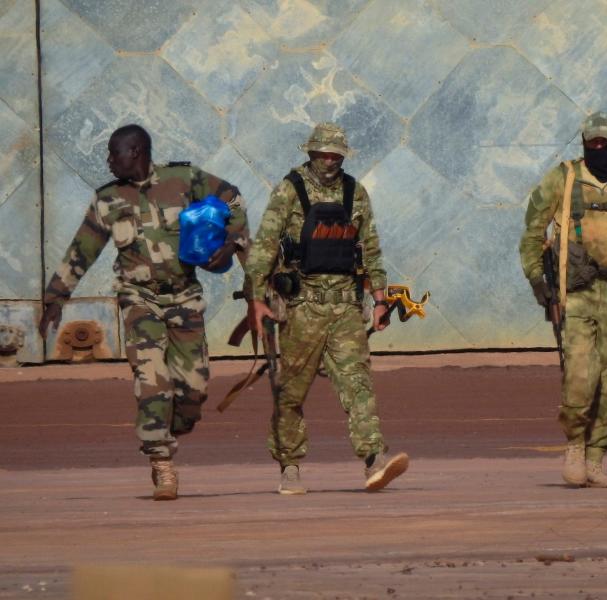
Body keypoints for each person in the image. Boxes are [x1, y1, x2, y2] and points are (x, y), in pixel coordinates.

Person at [39, 124, 249, 500]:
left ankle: (170, 429)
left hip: (184, 297)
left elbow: (233, 199)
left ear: (134, 151)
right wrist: (55, 296)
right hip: (139, 299)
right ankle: (161, 463)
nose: (108, 161)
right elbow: (81, 250)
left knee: (193, 391)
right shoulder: (107, 199)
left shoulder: (183, 179)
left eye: (113, 153)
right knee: (152, 378)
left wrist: (233, 241)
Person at [244, 122, 408, 495]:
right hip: (303, 307)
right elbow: (265, 246)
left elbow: (371, 248)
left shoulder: (355, 193)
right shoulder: (290, 190)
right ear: (311, 152)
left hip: (346, 307)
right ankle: (289, 467)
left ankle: (374, 459)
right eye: (322, 154)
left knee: (358, 383)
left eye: (335, 155)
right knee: (290, 391)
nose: (329, 161)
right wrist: (256, 299)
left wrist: (381, 300)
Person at [519, 112, 607, 487]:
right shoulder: (562, 179)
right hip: (576, 294)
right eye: (592, 142)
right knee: (580, 377)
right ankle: (575, 446)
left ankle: (598, 456)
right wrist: (538, 280)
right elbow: (533, 232)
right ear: (584, 142)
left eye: (605, 142)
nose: (598, 147)